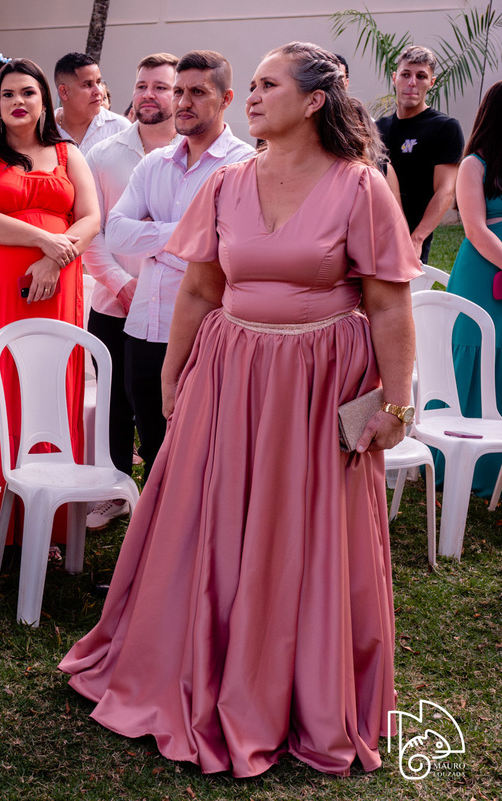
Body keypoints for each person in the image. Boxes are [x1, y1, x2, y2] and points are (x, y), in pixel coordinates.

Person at [61, 41, 420, 777]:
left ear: (315, 100)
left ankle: (296, 687)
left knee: (304, 531)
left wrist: (397, 400)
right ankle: (196, 660)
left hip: (321, 382)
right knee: (209, 519)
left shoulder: (360, 186)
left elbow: (389, 304)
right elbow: (197, 289)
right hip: (230, 372)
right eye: (250, 85)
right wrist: (175, 370)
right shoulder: (227, 184)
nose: (251, 96)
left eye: (267, 84)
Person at [0, 58, 101, 546]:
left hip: (55, 290)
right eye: (8, 93)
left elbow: (91, 217)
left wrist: (56, 257)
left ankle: (42, 525)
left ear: (44, 100)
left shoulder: (67, 152)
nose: (18, 102)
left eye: (27, 93)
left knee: (45, 389)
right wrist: (45, 240)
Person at [107, 50, 255, 475]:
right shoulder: (154, 164)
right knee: (154, 448)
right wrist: (190, 234)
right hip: (143, 329)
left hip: (205, 330)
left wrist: (153, 236)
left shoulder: (243, 165)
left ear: (226, 99)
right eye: (179, 91)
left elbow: (230, 248)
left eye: (197, 92)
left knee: (203, 451)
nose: (184, 102)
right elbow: (115, 234)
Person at [80, 52, 181, 527]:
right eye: (142, 86)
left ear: (178, 93)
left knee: (166, 401)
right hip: (113, 299)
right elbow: (91, 231)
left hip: (179, 307)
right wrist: (121, 284)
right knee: (115, 402)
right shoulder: (102, 154)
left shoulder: (200, 154)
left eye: (161, 87)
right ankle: (115, 488)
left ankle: (170, 491)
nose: (148, 95)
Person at [441, 80, 502, 495]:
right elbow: (476, 229)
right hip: (483, 271)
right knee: (478, 351)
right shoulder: (474, 165)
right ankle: (463, 467)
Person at [376, 45, 464, 262]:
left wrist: (417, 238)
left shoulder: (445, 128)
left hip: (412, 239)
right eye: (406, 74)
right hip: (373, 234)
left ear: (431, 83)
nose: (412, 83)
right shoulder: (378, 128)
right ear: (395, 78)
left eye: (421, 76)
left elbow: (445, 190)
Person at [53, 52, 130, 154]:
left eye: (98, 82)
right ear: (64, 92)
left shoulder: (121, 129)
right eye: (88, 85)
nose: (98, 91)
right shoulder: (43, 130)